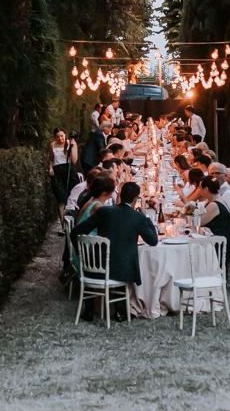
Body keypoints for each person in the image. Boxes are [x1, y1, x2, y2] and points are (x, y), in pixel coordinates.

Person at [71, 181, 158, 320]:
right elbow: (153, 241)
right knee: (121, 260)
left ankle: (89, 311)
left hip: (96, 268)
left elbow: (76, 232)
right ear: (136, 199)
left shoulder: (104, 211)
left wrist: (83, 255)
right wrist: (146, 217)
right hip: (122, 270)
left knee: (116, 257)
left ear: (120, 196)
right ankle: (120, 311)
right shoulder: (138, 217)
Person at [198, 176, 230, 266]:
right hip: (218, 242)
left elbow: (198, 223)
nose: (199, 191)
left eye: (200, 188)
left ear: (206, 189)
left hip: (217, 248)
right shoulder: (219, 200)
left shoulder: (214, 205)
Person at [48, 127, 78, 217]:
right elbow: (50, 159)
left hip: (69, 171)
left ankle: (73, 220)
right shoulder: (52, 145)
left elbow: (74, 161)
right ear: (55, 137)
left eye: (62, 136)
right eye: (57, 137)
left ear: (65, 135)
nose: (60, 138)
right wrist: (50, 168)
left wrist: (72, 147)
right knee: (61, 199)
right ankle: (63, 226)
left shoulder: (70, 143)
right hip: (57, 173)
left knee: (73, 196)